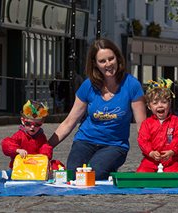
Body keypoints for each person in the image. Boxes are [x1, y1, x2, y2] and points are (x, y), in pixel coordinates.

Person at [48, 38, 146, 180]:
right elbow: (69, 122)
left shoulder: (132, 85)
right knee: (74, 176)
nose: (108, 64)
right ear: (95, 64)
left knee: (94, 174)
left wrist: (151, 152)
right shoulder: (88, 86)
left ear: (118, 58)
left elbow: (142, 126)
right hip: (85, 141)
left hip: (115, 145)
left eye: (111, 59)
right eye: (102, 61)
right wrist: (45, 147)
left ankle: (107, 165)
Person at [136, 78, 178, 173]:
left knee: (172, 175)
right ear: (149, 106)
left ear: (169, 104)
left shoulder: (175, 121)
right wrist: (150, 152)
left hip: (171, 159)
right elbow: (143, 140)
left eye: (164, 102)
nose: (160, 105)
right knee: (142, 173)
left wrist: (172, 151)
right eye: (155, 103)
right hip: (151, 160)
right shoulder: (147, 123)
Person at [1, 100, 63, 170]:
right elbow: (7, 143)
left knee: (55, 165)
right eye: (28, 124)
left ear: (42, 123)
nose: (32, 127)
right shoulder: (20, 135)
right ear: (22, 121)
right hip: (20, 167)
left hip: (36, 166)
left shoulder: (40, 136)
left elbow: (45, 146)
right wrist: (17, 150)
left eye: (37, 124)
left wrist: (44, 155)